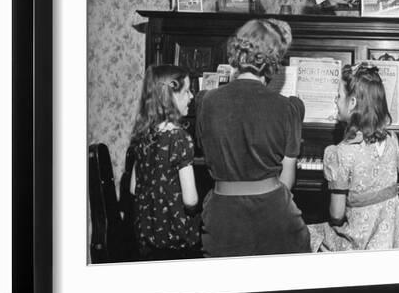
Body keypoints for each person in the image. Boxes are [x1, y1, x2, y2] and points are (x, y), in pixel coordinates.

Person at [195, 18, 311, 257]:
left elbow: (206, 155)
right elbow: (286, 182)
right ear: (273, 59)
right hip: (275, 220)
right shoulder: (288, 108)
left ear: (238, 51)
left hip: (222, 222)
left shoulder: (206, 101)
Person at [309, 62, 399, 252]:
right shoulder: (393, 140)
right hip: (389, 243)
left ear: (353, 103)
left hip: (356, 244)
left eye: (339, 96)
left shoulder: (341, 152)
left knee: (307, 233)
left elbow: (337, 215)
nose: (335, 101)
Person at [126, 64, 201, 260]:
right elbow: (190, 200)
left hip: (145, 238)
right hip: (176, 241)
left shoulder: (143, 135)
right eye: (186, 91)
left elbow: (134, 188)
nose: (192, 96)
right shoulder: (180, 138)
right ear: (170, 97)